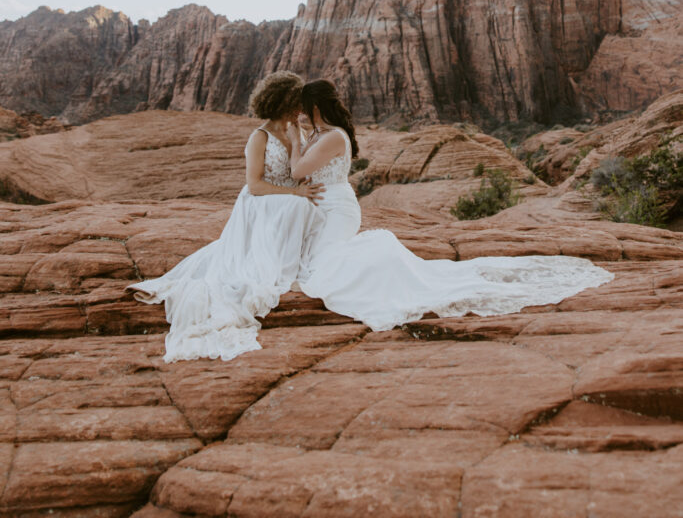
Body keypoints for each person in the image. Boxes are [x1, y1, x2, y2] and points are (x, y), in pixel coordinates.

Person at [291, 79, 614, 330]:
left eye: (303, 105)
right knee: (322, 261)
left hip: (337, 208)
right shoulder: (319, 134)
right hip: (323, 206)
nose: (300, 112)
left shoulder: (333, 136)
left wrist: (293, 138)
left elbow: (297, 169)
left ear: (315, 105)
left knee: (326, 266)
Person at [127, 71, 324, 362]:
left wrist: (301, 178)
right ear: (283, 100)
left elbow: (300, 170)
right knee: (298, 208)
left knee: (311, 208)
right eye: (296, 100)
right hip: (262, 203)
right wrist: (293, 195)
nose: (302, 107)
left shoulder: (299, 130)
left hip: (287, 201)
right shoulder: (260, 137)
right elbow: (255, 185)